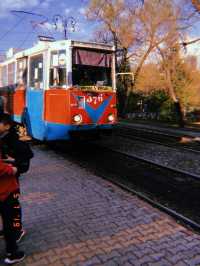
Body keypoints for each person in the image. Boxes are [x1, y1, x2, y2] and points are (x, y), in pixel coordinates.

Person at [0, 114, 33, 242]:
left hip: (13, 177)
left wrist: (14, 162)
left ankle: (17, 230)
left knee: (14, 205)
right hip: (5, 177)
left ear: (7, 126)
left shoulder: (17, 136)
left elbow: (27, 156)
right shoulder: (4, 135)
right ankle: (8, 229)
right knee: (6, 207)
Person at [0, 152, 25, 264]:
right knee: (10, 221)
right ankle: (12, 253)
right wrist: (13, 169)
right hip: (5, 192)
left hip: (7, 190)